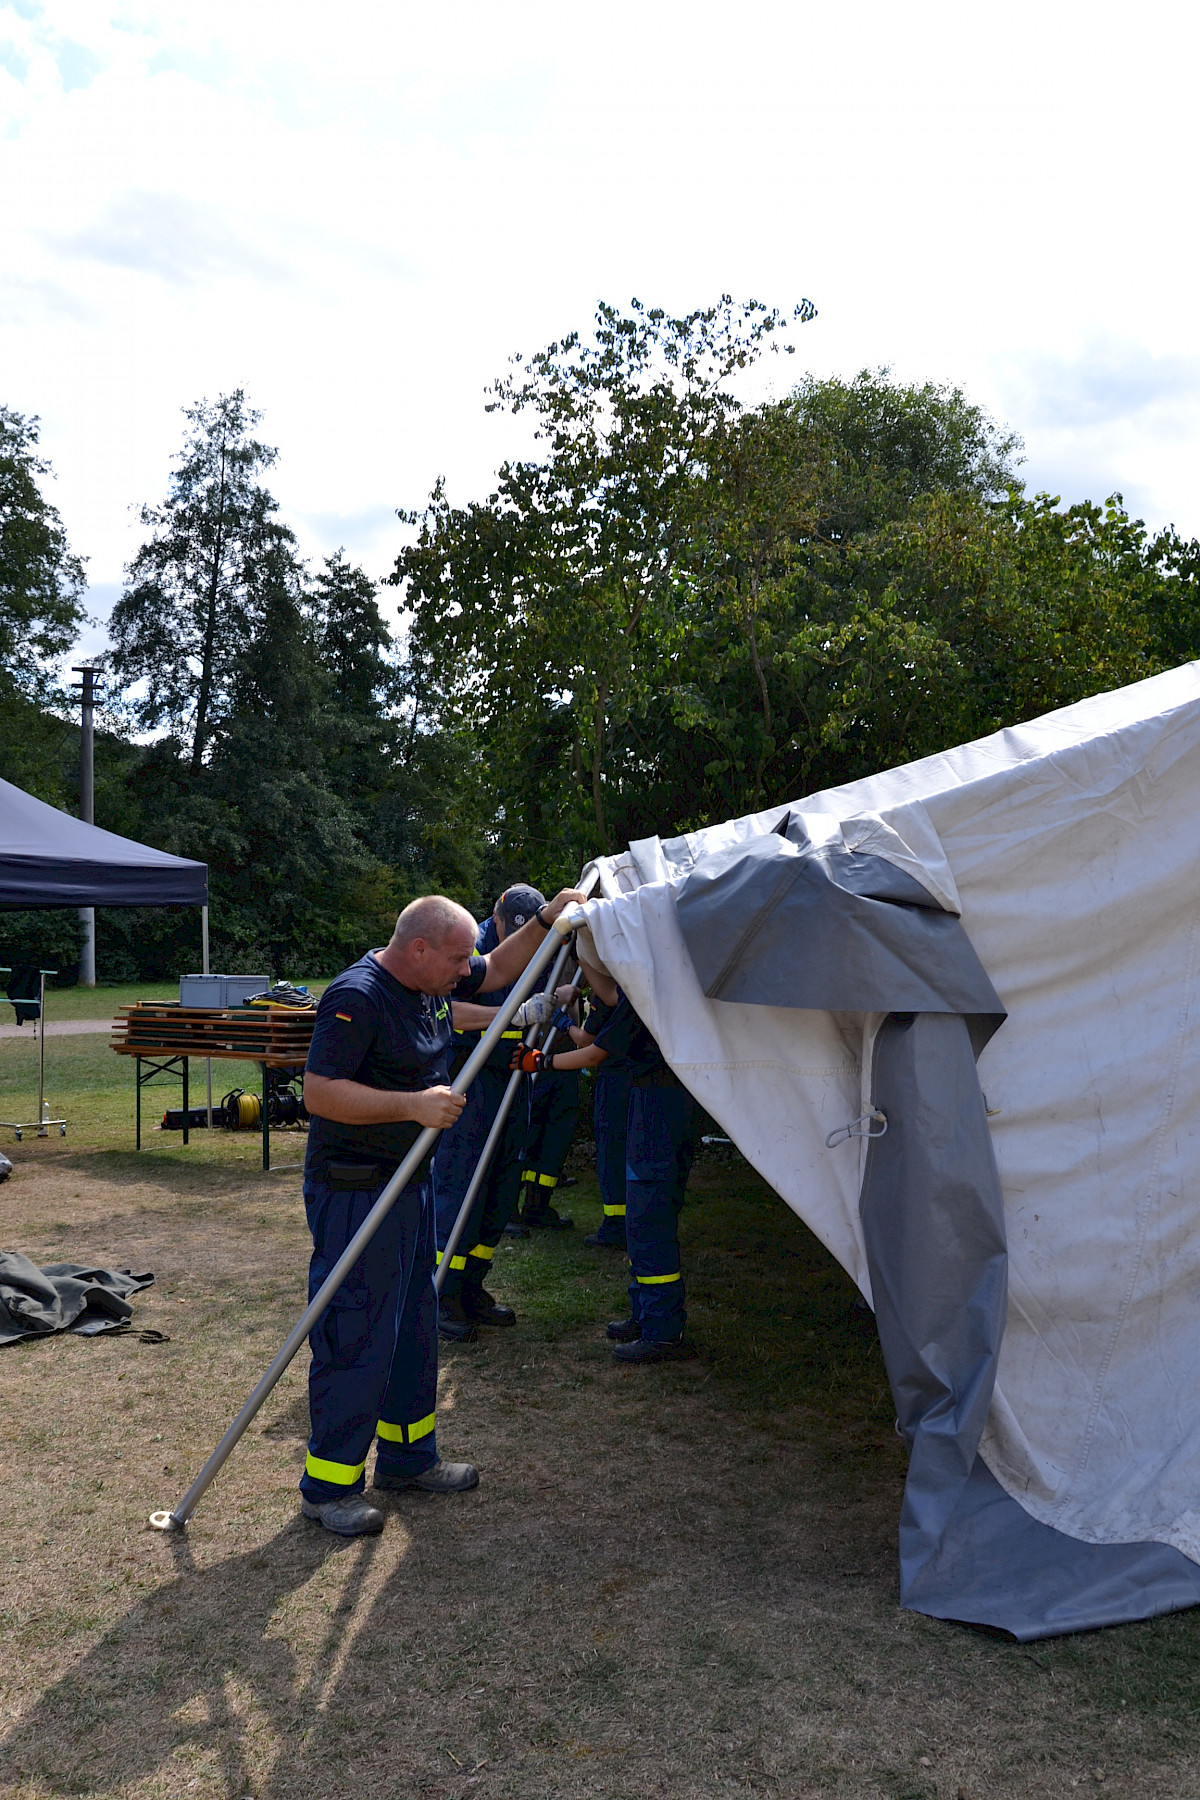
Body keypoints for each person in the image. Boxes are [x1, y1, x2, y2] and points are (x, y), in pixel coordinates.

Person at [299, 884, 585, 1537]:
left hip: (409, 1183)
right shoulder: (358, 996)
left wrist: (547, 918)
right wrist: (412, 1106)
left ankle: (408, 1458)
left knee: (412, 1325)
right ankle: (328, 1487)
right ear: (419, 948)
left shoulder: (426, 985)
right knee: (357, 1332)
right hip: (356, 1189)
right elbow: (319, 1092)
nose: (467, 972)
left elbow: (494, 976)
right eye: (457, 961)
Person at [513, 963, 697, 1363]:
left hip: (659, 1103)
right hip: (659, 1100)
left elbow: (595, 1052)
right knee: (641, 1219)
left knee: (650, 1217)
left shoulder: (649, 991)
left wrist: (539, 1062)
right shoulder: (653, 986)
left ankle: (663, 1329)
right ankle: (646, 1314)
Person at [433, 886, 556, 1342]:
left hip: (512, 1079)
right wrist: (514, 1014)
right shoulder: (468, 950)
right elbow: (447, 1012)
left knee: (503, 1184)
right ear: (497, 917)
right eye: (511, 930)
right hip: (472, 1078)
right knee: (460, 1183)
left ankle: (473, 1284)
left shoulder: (541, 945)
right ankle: (442, 1292)